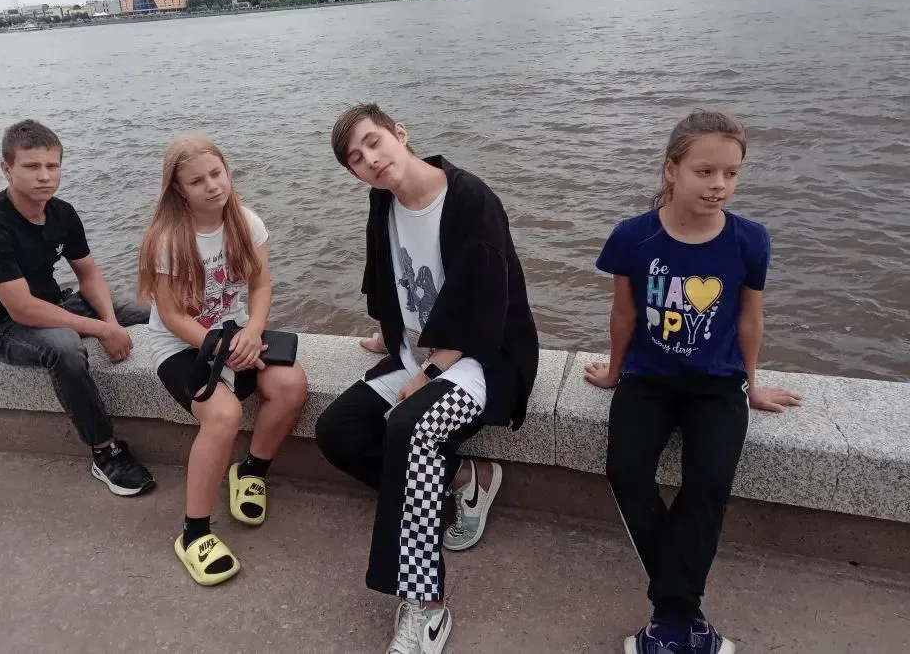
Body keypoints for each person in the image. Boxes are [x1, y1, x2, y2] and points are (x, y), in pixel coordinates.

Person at [316, 103, 539, 654]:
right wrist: (389, 337)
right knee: (338, 431)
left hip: (480, 360)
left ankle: (427, 606)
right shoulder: (383, 203)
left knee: (409, 429)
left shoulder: (469, 200)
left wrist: (430, 372)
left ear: (400, 133)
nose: (370, 159)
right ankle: (464, 479)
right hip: (415, 354)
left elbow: (486, 310)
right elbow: (386, 280)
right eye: (356, 158)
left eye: (374, 142)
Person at [584, 110, 802, 654]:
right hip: (648, 379)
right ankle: (683, 616)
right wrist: (614, 371)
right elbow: (624, 315)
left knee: (709, 484)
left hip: (717, 385)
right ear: (672, 170)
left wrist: (752, 385)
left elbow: (750, 319)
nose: (718, 185)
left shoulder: (750, 240)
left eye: (731, 173)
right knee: (626, 470)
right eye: (705, 172)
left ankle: (670, 619)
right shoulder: (633, 237)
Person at [138, 135, 307, 586]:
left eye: (217, 174)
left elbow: (260, 287)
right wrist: (219, 346)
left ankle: (251, 471)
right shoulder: (167, 240)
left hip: (236, 334)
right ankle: (194, 532)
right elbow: (172, 316)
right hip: (182, 346)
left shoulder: (246, 223)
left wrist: (252, 331)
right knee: (224, 415)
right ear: (178, 190)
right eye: (197, 181)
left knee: (291, 385)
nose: (212, 186)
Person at [0, 120, 155, 496]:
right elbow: (22, 310)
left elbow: (89, 274)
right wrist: (102, 330)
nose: (45, 176)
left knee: (145, 312)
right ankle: (105, 451)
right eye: (32, 166)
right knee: (65, 347)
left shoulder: (61, 213)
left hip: (54, 302)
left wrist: (111, 322)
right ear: (7, 169)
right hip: (2, 326)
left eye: (52, 165)